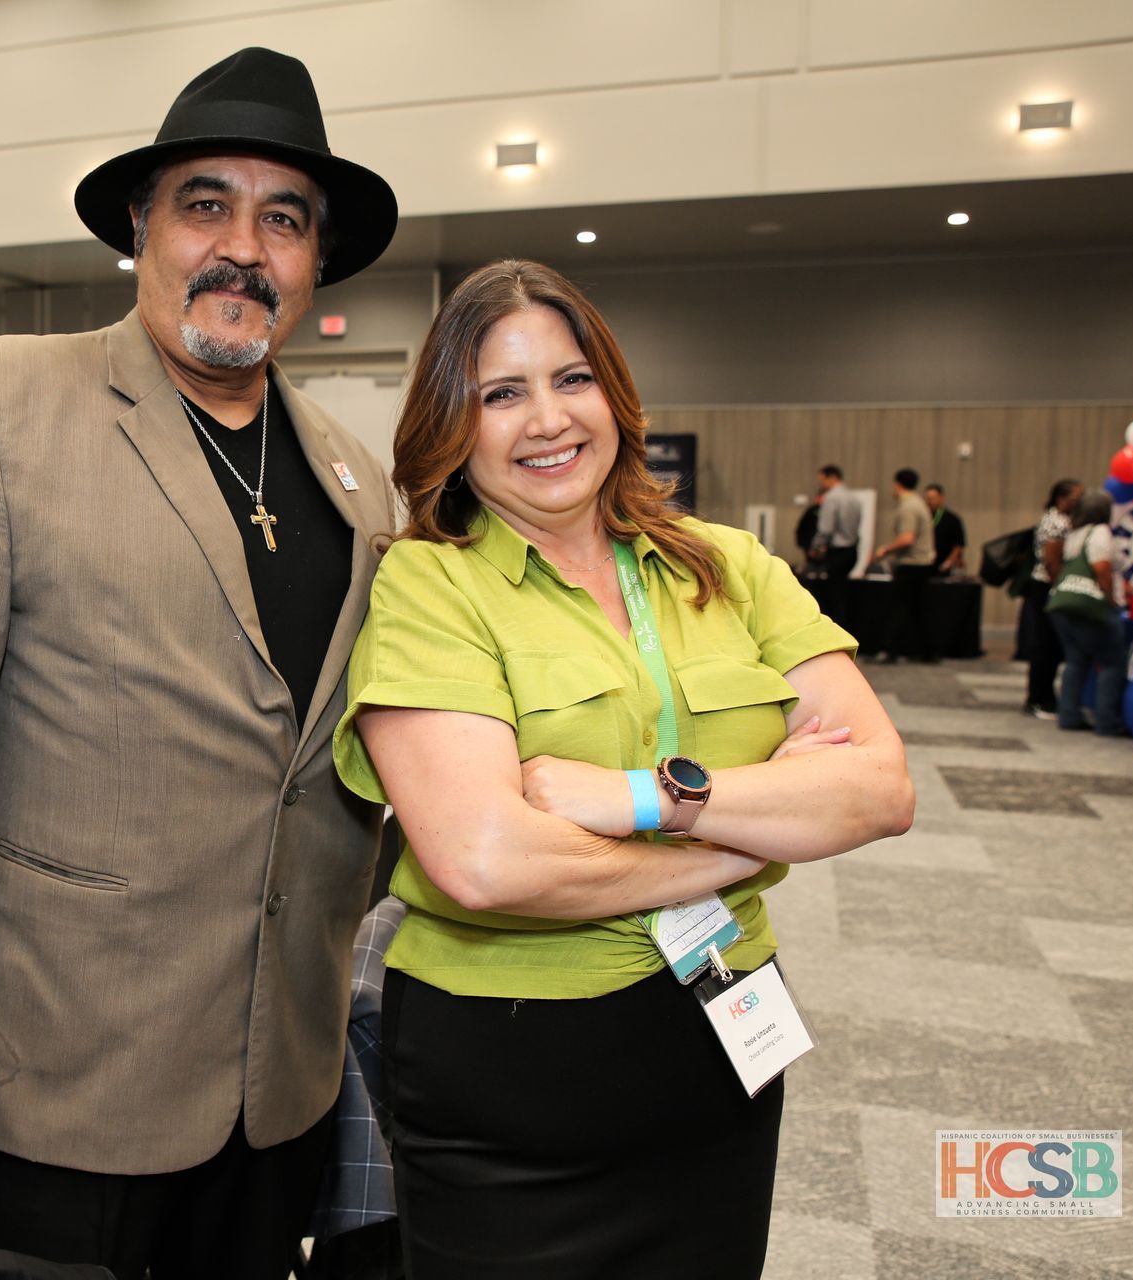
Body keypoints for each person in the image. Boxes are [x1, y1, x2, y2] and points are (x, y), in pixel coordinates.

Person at [0, 47, 398, 1280]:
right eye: (206, 204)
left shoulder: (362, 479)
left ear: (314, 263)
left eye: (284, 219)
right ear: (141, 227)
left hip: (277, 1079)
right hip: (60, 1079)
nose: (243, 246)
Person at [331, 260, 914, 1278]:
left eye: (572, 379)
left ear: (615, 392)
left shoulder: (727, 566)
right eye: (500, 394)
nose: (547, 419)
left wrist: (641, 799)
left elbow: (880, 788)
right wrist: (753, 843)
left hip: (723, 1041)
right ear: (450, 428)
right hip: (511, 1076)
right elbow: (482, 860)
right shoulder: (431, 585)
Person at [1045, 491, 1128, 736]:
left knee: (1075, 661)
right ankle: (1107, 721)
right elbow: (1101, 568)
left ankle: (1068, 714)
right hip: (1090, 608)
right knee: (1112, 663)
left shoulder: (1074, 533)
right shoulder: (1100, 532)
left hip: (1063, 604)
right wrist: (1112, 599)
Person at [1022, 479, 1082, 718]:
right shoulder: (1055, 522)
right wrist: (1061, 589)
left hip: (1048, 587)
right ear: (1061, 499)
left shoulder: (1059, 519)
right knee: (1046, 646)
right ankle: (1039, 699)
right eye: (1076, 499)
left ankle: (1043, 696)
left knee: (1051, 647)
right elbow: (1051, 561)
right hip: (1046, 587)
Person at [867, 468, 937, 663]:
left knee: (898, 609)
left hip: (912, 565)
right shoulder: (918, 504)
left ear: (897, 484)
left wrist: (886, 549)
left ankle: (889, 651)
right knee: (917, 610)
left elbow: (907, 538)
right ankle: (927, 652)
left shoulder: (908, 507)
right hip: (921, 565)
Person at [808, 463, 863, 627]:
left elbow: (826, 528)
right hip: (852, 550)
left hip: (837, 552)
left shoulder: (832, 497)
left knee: (835, 596)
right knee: (845, 594)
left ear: (832, 477)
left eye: (822, 480)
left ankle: (837, 631)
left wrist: (815, 547)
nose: (821, 485)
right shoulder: (854, 498)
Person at [924, 482, 965, 576]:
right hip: (925, 565)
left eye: (932, 498)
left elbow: (959, 544)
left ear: (941, 498)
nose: (929, 501)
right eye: (927, 498)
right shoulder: (923, 518)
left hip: (943, 566)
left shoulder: (952, 519)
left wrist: (948, 563)